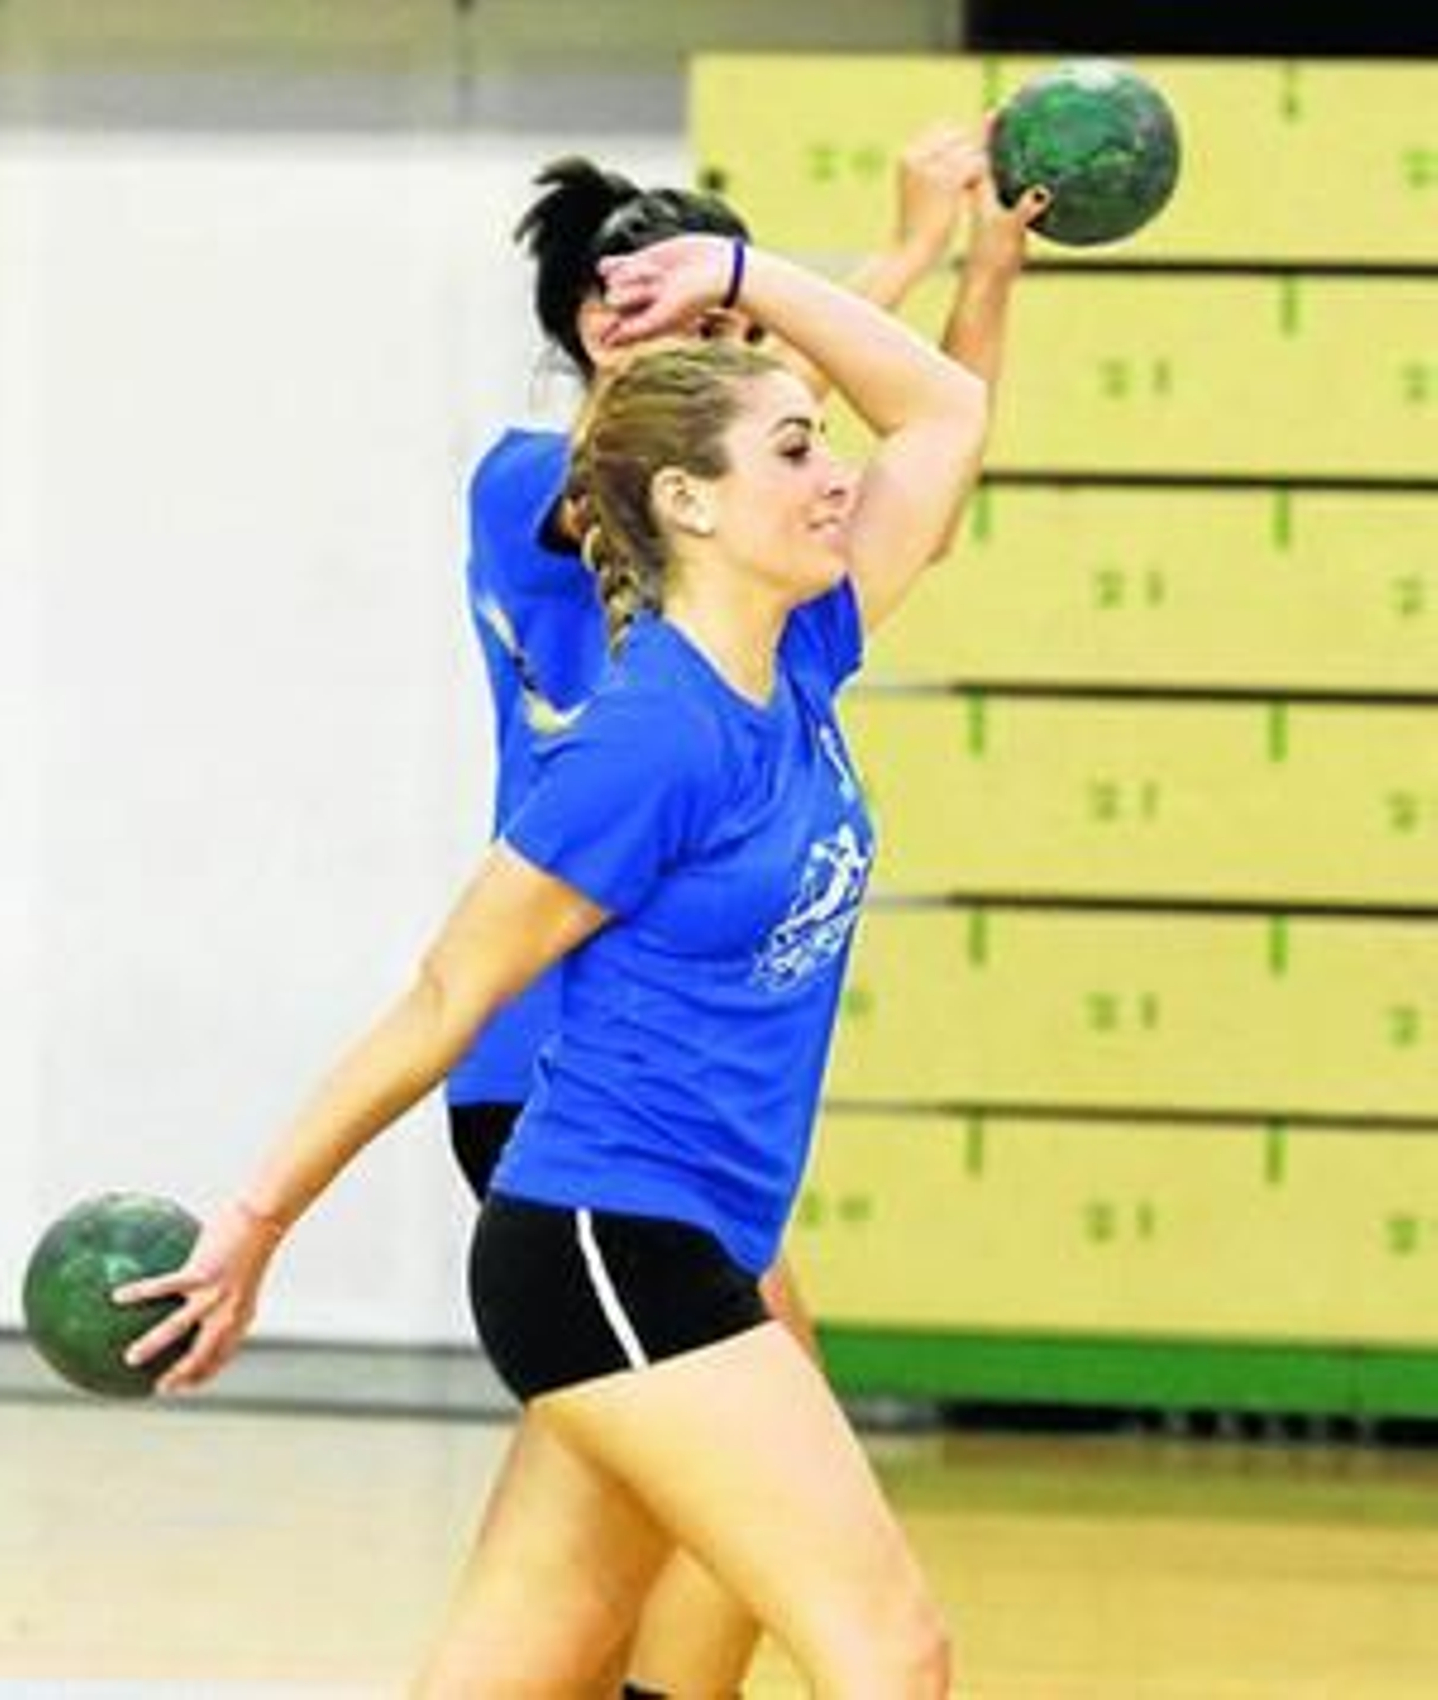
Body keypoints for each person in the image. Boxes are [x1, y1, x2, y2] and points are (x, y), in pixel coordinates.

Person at [116, 194, 1046, 1697]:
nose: (836, 477)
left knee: (512, 1678)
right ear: (688, 503)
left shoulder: (806, 655)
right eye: (795, 453)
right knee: (891, 1649)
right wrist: (256, 1224)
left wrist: (756, 273)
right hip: (609, 1236)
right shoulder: (649, 739)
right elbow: (448, 993)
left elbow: (943, 411)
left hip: (682, 1236)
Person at [441, 133, 1038, 1697]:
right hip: (555, 1070)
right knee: (746, 1471)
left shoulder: (767, 598)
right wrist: (874, 267)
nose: (744, 365)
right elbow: (706, 449)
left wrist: (981, 271)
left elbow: (917, 468)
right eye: (697, 325)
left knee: (606, 1537)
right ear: (600, 328)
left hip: (652, 1089)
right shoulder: (534, 488)